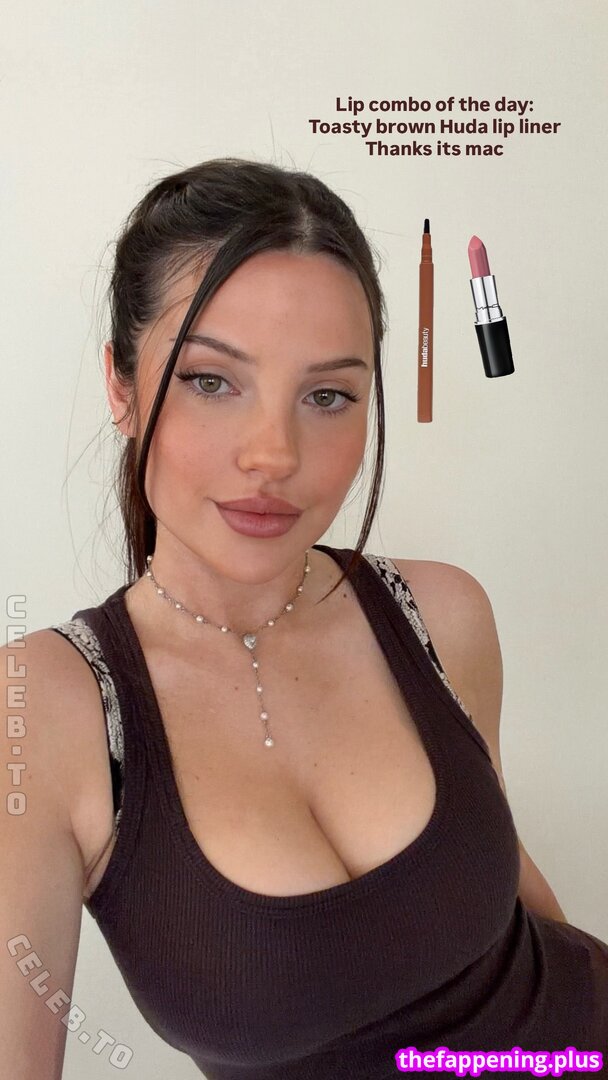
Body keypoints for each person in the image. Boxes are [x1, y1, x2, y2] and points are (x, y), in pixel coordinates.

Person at [2, 158, 607, 1079]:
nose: (274, 454)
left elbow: (518, 916)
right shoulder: (45, 713)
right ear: (121, 385)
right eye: (212, 381)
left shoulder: (442, 616)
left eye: (328, 396)